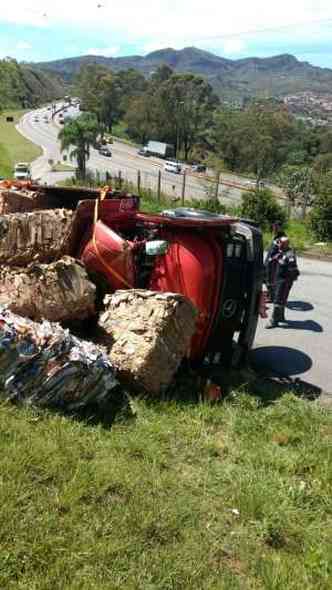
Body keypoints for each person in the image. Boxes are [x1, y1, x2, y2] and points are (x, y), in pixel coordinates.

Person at [266, 236, 300, 329]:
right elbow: (271, 260)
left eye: (280, 243)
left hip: (284, 282)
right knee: (281, 299)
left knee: (278, 300)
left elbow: (294, 270)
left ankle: (274, 321)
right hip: (278, 280)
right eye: (279, 242)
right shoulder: (280, 252)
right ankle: (281, 317)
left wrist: (287, 282)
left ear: (285, 244)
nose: (278, 244)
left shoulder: (290, 255)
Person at [264, 221, 287, 302]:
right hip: (269, 261)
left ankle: (271, 297)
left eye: (276, 227)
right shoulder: (276, 236)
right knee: (266, 278)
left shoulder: (283, 237)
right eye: (274, 227)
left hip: (274, 263)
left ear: (280, 227)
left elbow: (283, 251)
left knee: (271, 279)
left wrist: (273, 259)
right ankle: (270, 294)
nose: (274, 228)